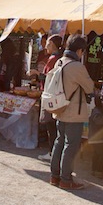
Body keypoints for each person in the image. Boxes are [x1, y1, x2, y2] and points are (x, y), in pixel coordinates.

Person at [49, 34, 95, 191]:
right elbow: (89, 87)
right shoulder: (77, 66)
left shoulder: (60, 61)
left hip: (59, 108)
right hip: (74, 111)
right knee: (71, 145)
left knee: (59, 141)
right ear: (80, 50)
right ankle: (66, 179)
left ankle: (55, 176)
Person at [38, 34, 64, 162]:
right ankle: (53, 151)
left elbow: (48, 77)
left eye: (47, 43)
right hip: (54, 96)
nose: (45, 46)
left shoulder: (54, 59)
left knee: (51, 126)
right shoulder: (57, 58)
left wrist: (36, 74)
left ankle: (52, 152)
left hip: (50, 96)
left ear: (53, 45)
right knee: (53, 126)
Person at [88, 91, 103, 178]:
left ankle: (94, 170)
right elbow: (98, 121)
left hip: (95, 137)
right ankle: (99, 171)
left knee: (96, 154)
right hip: (98, 138)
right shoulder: (97, 111)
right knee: (102, 154)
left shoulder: (95, 110)